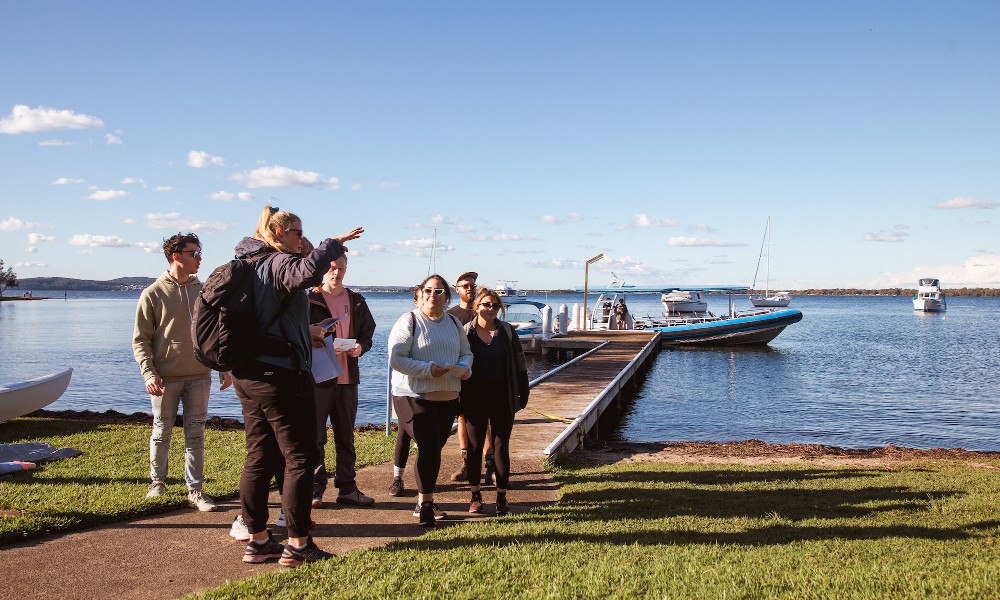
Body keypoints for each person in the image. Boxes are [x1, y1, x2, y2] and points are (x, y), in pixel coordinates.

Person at [233, 205, 363, 567]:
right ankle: (297, 544)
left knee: (260, 456)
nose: (302, 239)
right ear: (276, 233)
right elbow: (306, 272)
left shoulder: (249, 262)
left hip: (250, 373)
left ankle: (258, 542)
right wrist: (331, 244)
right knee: (301, 458)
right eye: (297, 233)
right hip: (279, 375)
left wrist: (305, 332)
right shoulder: (275, 262)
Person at [132, 232, 232, 512]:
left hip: (200, 376)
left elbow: (218, 332)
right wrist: (148, 373)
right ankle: (157, 483)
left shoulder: (204, 291)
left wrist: (224, 366)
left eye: (200, 253)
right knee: (162, 432)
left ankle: (196, 491)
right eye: (194, 253)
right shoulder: (152, 294)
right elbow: (141, 339)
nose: (200, 258)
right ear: (177, 256)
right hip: (165, 379)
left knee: (196, 435)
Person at [388, 274, 473, 526]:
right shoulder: (409, 321)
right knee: (427, 446)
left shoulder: (454, 324)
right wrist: (428, 369)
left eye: (438, 292)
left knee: (434, 450)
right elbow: (397, 359)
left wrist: (465, 368)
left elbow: (466, 353)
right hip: (413, 395)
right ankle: (425, 504)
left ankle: (423, 500)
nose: (432, 296)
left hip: (447, 396)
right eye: (428, 291)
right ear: (420, 294)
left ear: (447, 297)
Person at [308, 254, 377, 507]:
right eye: (332, 268)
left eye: (342, 269)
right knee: (315, 436)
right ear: (323, 269)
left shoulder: (356, 301)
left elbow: (368, 332)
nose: (337, 273)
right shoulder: (309, 299)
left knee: (346, 436)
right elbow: (296, 334)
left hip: (347, 378)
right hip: (319, 377)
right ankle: (315, 488)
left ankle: (347, 488)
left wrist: (361, 347)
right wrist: (315, 339)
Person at [460, 288, 529, 517]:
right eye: (486, 305)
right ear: (476, 306)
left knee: (501, 447)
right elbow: (458, 364)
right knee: (474, 448)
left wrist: (523, 392)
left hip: (503, 398)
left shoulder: (507, 332)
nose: (490, 309)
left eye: (495, 306)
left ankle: (501, 497)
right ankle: (475, 496)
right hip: (473, 399)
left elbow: (520, 364)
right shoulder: (466, 333)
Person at [447, 271, 478, 482]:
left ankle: (489, 463)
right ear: (457, 289)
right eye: (465, 285)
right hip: (460, 375)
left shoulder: (484, 310)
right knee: (462, 418)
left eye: (473, 285)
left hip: (483, 375)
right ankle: (466, 463)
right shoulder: (450, 315)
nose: (470, 288)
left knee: (485, 420)